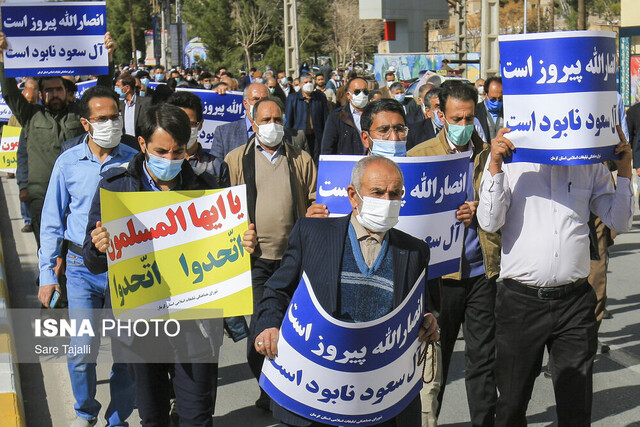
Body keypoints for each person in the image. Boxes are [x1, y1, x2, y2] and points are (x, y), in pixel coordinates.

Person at [83, 103, 258, 426]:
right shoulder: (116, 187)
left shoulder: (207, 190)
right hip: (141, 327)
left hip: (197, 327)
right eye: (161, 151)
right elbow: (93, 262)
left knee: (196, 416)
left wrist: (245, 246)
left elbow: (228, 258)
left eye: (178, 152)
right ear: (142, 145)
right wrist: (99, 246)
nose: (169, 159)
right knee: (152, 416)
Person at [254, 155, 441, 426]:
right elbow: (278, 289)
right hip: (315, 391)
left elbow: (422, 308)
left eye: (394, 194)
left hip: (377, 398)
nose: (387, 201)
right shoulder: (312, 234)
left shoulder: (414, 251)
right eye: (377, 192)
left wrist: (428, 322)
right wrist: (269, 325)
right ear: (353, 195)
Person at [477, 124, 633, 425]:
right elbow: (489, 221)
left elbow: (620, 220)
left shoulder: (588, 164)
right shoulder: (511, 162)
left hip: (574, 302)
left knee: (576, 405)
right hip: (520, 303)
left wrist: (625, 169)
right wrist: (494, 165)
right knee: (511, 401)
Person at [38, 85, 137, 427]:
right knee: (81, 350)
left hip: (126, 270)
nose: (110, 123)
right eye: (102, 119)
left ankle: (117, 417)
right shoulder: (67, 163)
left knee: (127, 353)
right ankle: (85, 411)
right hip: (81, 269)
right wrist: (47, 275)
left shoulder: (134, 161)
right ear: (85, 123)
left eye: (115, 117)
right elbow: (52, 222)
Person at [408, 83, 499, 427]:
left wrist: (483, 209)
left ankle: (484, 421)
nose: (463, 124)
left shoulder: (489, 156)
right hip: (439, 280)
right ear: (440, 115)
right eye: (456, 118)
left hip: (481, 275)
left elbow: (507, 209)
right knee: (435, 358)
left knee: (482, 360)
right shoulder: (420, 157)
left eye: (469, 117)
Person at [225, 98, 317, 411]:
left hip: (294, 259)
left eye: (277, 119)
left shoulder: (300, 158)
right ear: (253, 123)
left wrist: (317, 212)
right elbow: (223, 212)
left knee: (293, 330)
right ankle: (267, 386)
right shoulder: (236, 160)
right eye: (265, 119)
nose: (272, 125)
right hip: (255, 261)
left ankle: (285, 391)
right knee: (260, 330)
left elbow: (314, 197)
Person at [0, 31, 115, 247]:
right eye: (49, 90)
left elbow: (103, 91)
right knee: (47, 250)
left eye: (58, 89)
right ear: (41, 94)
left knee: (74, 250)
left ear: (65, 91)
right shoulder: (30, 115)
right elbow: (9, 92)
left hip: (76, 195)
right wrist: (2, 58)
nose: (54, 94)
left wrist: (108, 58)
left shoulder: (80, 113)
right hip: (41, 195)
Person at [166, 91, 229, 188]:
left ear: (200, 124)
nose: (184, 129)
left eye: (190, 124)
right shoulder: (159, 163)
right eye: (178, 123)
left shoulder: (217, 166)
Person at [210, 82, 269, 161]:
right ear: (245, 104)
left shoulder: (279, 132)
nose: (260, 103)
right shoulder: (224, 133)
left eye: (264, 99)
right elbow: (215, 168)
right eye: (255, 99)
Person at [284, 73, 329, 162]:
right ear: (300, 84)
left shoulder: (320, 97)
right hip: (299, 136)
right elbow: (289, 119)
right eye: (306, 82)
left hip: (316, 136)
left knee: (316, 159)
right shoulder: (293, 98)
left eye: (310, 82)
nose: (309, 84)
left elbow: (325, 118)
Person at [321, 77, 370, 156]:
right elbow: (327, 148)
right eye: (357, 92)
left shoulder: (375, 114)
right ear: (348, 95)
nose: (362, 95)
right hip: (348, 164)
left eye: (365, 91)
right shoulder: (337, 117)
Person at [116, 72, 151, 138]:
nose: (116, 89)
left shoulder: (145, 103)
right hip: (125, 143)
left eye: (118, 86)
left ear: (127, 88)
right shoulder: (120, 105)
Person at [475, 76, 503, 143]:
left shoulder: (508, 112)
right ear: (485, 94)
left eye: (500, 99)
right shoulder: (475, 112)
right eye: (493, 99)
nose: (497, 102)